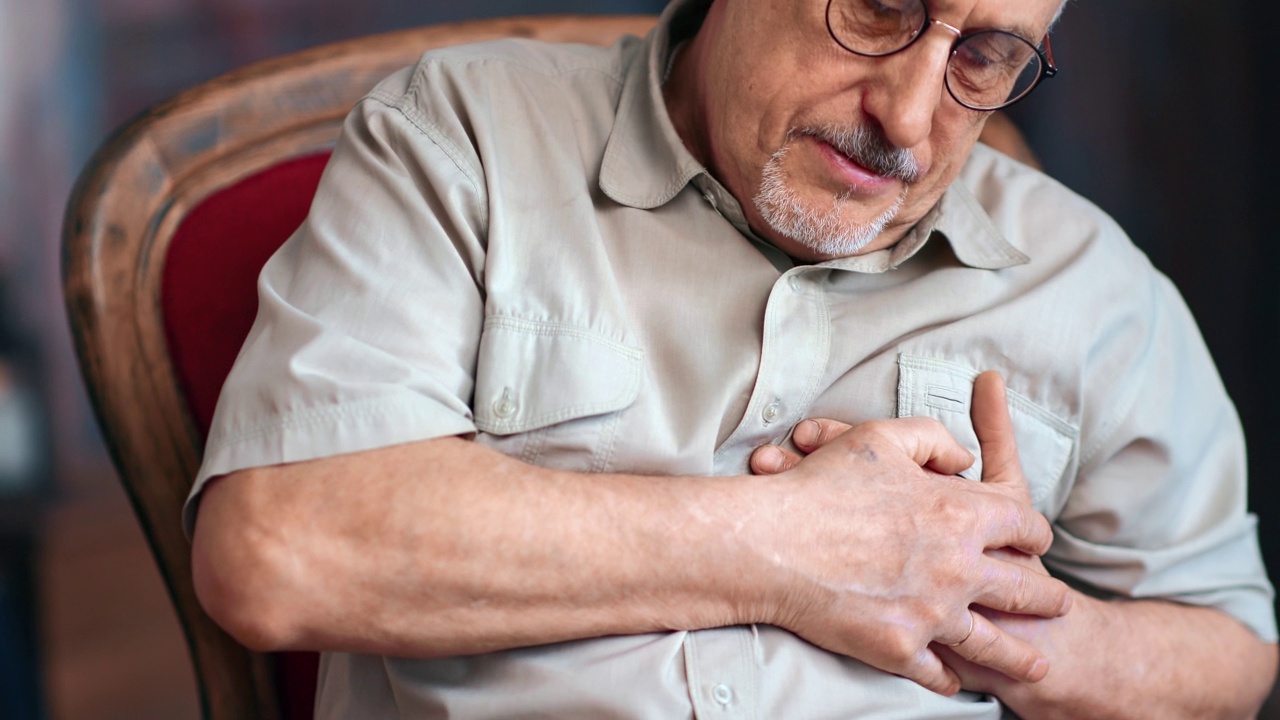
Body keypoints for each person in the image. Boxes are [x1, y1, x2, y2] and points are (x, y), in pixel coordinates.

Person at [187, 0, 1279, 716]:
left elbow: (1228, 652)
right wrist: (795, 545)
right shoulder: (462, 134)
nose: (904, 117)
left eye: (981, 55)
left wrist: (981, 609)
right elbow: (278, 549)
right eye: (873, 9)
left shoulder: (1087, 282)